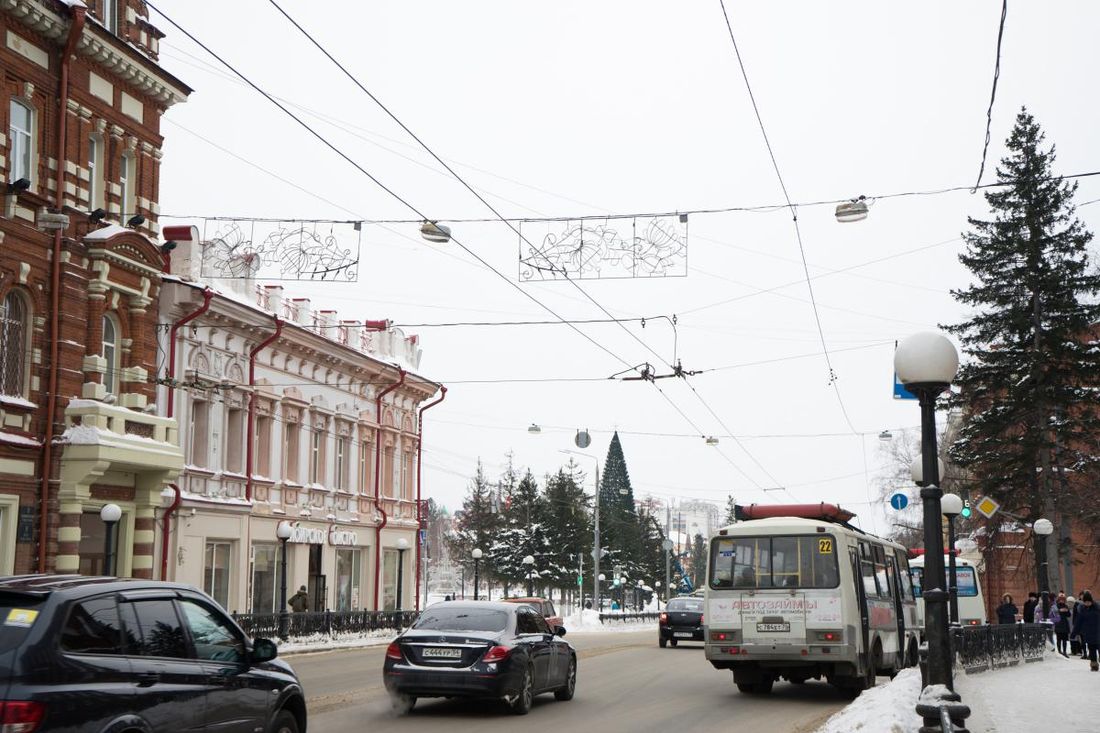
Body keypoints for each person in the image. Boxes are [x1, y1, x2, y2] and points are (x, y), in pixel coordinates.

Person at [1070, 590, 1099, 671]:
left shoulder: (1097, 608)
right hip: (1089, 634)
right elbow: (1078, 623)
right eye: (1085, 602)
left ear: (1091, 601)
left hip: (1098, 633)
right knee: (1092, 650)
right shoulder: (1082, 610)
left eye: (1088, 602)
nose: (1087, 604)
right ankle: (1094, 665)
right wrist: (1073, 633)